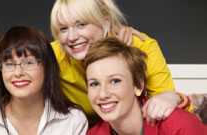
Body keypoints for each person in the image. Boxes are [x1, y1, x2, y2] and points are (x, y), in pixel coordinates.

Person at [49, 0, 187, 121]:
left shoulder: (140, 46)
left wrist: (174, 97)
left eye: (81, 25)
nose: (71, 37)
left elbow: (166, 102)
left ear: (105, 21)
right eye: (63, 29)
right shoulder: (52, 55)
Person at [0, 26, 88, 135]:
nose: (18, 73)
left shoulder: (73, 120)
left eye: (28, 63)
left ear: (47, 66)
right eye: (9, 64)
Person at [85, 38, 207, 135]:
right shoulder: (94, 133)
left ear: (138, 85)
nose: (103, 94)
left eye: (115, 81)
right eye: (94, 84)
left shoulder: (178, 126)